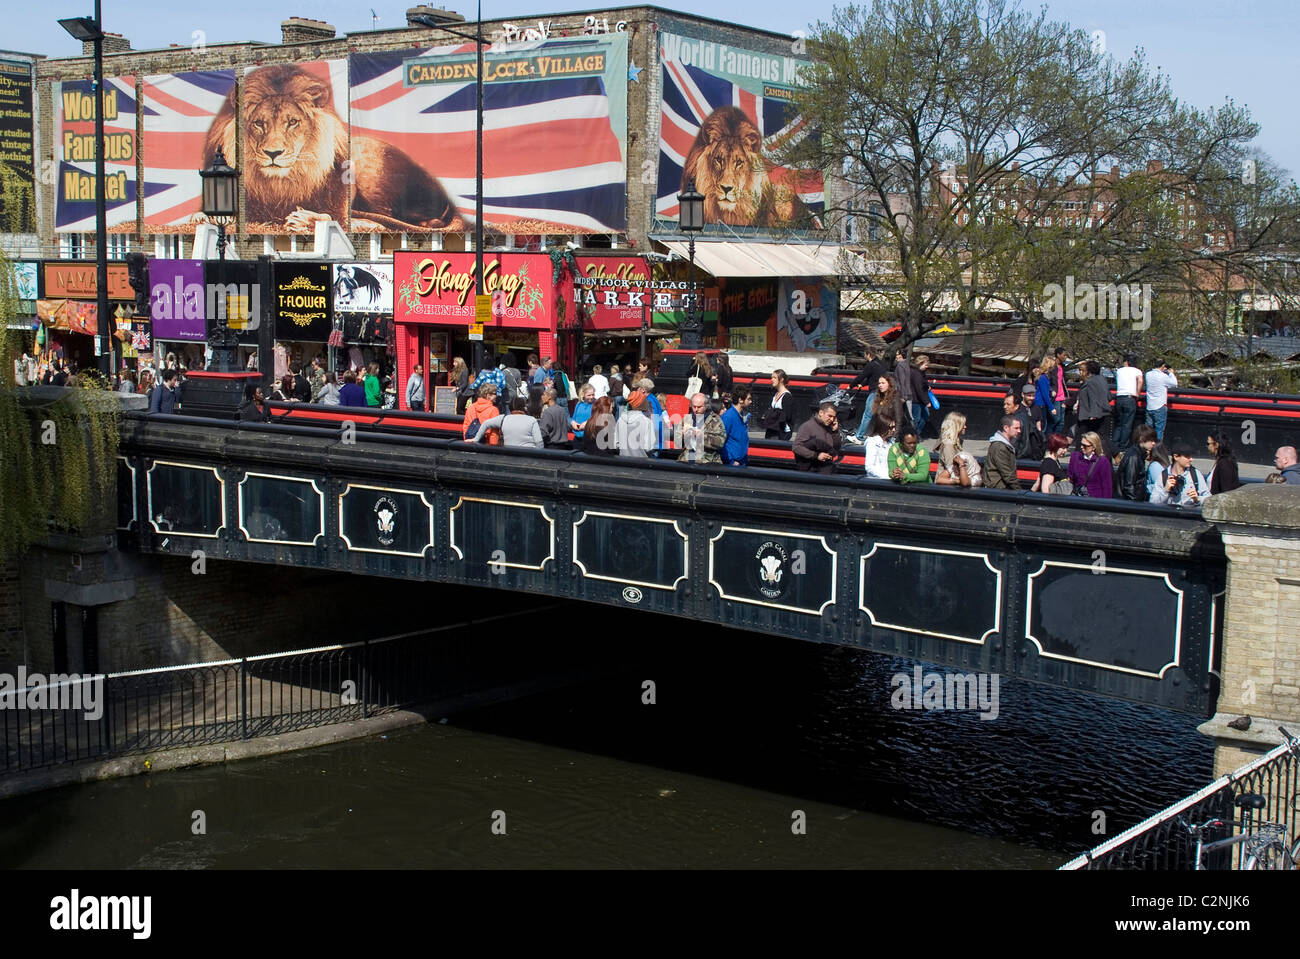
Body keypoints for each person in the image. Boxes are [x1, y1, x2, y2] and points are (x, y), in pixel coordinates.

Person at [471, 396, 544, 448]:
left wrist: (475, 440)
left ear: (510, 407)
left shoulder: (503, 418)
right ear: (524, 407)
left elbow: (485, 423)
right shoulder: (532, 420)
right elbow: (539, 441)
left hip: (509, 453)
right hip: (529, 454)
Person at [1150, 443, 1209, 507]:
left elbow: (1209, 499)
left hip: (1189, 515)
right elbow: (1153, 502)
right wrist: (1166, 490)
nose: (1191, 459)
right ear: (1176, 457)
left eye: (1191, 456)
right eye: (1187, 457)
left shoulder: (1195, 474)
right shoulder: (1164, 476)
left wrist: (1197, 499)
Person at [847, 347, 888, 440]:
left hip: (874, 391)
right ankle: (882, 434)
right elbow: (872, 377)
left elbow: (862, 376)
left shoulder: (871, 365)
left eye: (865, 355)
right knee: (879, 414)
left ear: (868, 354)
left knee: (867, 415)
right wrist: (863, 384)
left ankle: (859, 436)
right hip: (882, 391)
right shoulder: (881, 364)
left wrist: (851, 386)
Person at [933, 411, 982, 488]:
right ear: (955, 426)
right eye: (963, 424)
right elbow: (952, 470)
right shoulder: (948, 446)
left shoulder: (955, 443)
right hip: (946, 487)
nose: (965, 427)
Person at [792, 401, 842, 473]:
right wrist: (816, 455)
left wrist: (835, 432)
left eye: (834, 417)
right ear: (821, 413)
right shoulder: (807, 426)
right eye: (830, 416)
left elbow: (836, 448)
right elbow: (796, 447)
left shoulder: (830, 428)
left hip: (826, 468)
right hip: (810, 469)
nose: (831, 419)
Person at [675, 392, 726, 464]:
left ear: (706, 406)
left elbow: (720, 443)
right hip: (687, 460)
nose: (696, 410)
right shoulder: (687, 418)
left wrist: (701, 436)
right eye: (694, 406)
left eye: (699, 407)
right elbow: (677, 442)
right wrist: (682, 435)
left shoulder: (715, 420)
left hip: (707, 462)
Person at [1113, 424, 1157, 501]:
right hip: (1129, 503)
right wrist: (1136, 504)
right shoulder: (1134, 457)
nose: (1154, 443)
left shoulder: (1138, 455)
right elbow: (1129, 485)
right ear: (1142, 439)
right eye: (1151, 440)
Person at [1072, 361, 1110, 448]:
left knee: (1082, 435)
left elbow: (1092, 398)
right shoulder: (1102, 379)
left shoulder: (1090, 382)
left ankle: (1078, 454)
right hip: (1101, 411)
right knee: (1100, 435)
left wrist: (1093, 413)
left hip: (1088, 413)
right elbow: (1109, 395)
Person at [1067, 431, 1113, 498]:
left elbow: (1107, 486)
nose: (1081, 447)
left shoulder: (1102, 461)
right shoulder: (1075, 457)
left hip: (1095, 501)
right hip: (1077, 498)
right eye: (1081, 444)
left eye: (1085, 446)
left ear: (1093, 447)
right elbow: (1070, 478)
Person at [984, 415, 1023, 490]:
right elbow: (1007, 474)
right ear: (1006, 428)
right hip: (998, 489)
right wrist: (1019, 491)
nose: (1019, 431)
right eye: (1016, 428)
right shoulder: (1000, 447)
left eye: (1019, 428)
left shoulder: (1005, 445)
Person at [1113, 353, 1143, 449]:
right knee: (1127, 424)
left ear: (1126, 361)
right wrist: (1137, 393)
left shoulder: (1119, 371)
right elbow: (1140, 381)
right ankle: (1123, 446)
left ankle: (1114, 443)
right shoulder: (1137, 371)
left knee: (1119, 423)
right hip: (1130, 398)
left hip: (1119, 397)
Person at [1144, 359, 1178, 440]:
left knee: (1148, 430)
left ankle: (1146, 448)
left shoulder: (1148, 374)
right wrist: (1171, 373)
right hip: (1160, 406)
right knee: (1159, 430)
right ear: (1163, 366)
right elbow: (1174, 383)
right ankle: (1157, 449)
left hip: (1149, 406)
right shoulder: (1163, 376)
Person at [616, 389, 656, 457]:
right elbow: (649, 447)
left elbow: (616, 444)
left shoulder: (620, 420)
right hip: (641, 463)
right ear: (641, 404)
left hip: (623, 462)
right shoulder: (647, 422)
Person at [720, 386, 752, 467]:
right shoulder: (728, 417)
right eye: (748, 399)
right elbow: (721, 441)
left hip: (741, 461)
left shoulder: (741, 416)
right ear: (740, 400)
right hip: (733, 464)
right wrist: (731, 461)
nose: (751, 401)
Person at [1003, 391, 1041, 459]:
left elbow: (1015, 442)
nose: (1005, 407)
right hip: (1029, 455)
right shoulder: (1024, 416)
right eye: (1004, 404)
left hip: (1021, 456)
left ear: (1016, 406)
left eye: (1008, 404)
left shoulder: (1016, 421)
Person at [761, 369, 795, 440]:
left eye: (774, 377)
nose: (772, 380)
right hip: (772, 428)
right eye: (771, 377)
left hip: (781, 431)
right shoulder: (776, 394)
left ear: (781, 379)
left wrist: (774, 414)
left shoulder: (787, 396)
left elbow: (787, 416)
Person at [863, 413, 896, 479]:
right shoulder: (872, 442)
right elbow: (869, 467)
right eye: (891, 427)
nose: (894, 430)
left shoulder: (892, 441)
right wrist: (888, 476)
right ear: (882, 427)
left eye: (894, 427)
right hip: (878, 481)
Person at [1033, 356, 1058, 435]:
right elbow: (1044, 394)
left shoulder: (1042, 377)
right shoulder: (1043, 378)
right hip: (1040, 404)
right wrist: (1051, 407)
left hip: (1040, 403)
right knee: (1042, 426)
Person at [910, 355, 933, 437]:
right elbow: (919, 389)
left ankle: (915, 434)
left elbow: (921, 385)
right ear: (920, 364)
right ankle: (914, 434)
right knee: (918, 418)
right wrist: (926, 402)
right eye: (925, 365)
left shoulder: (920, 373)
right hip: (916, 400)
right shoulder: (917, 374)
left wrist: (927, 386)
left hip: (918, 399)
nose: (927, 366)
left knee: (921, 417)